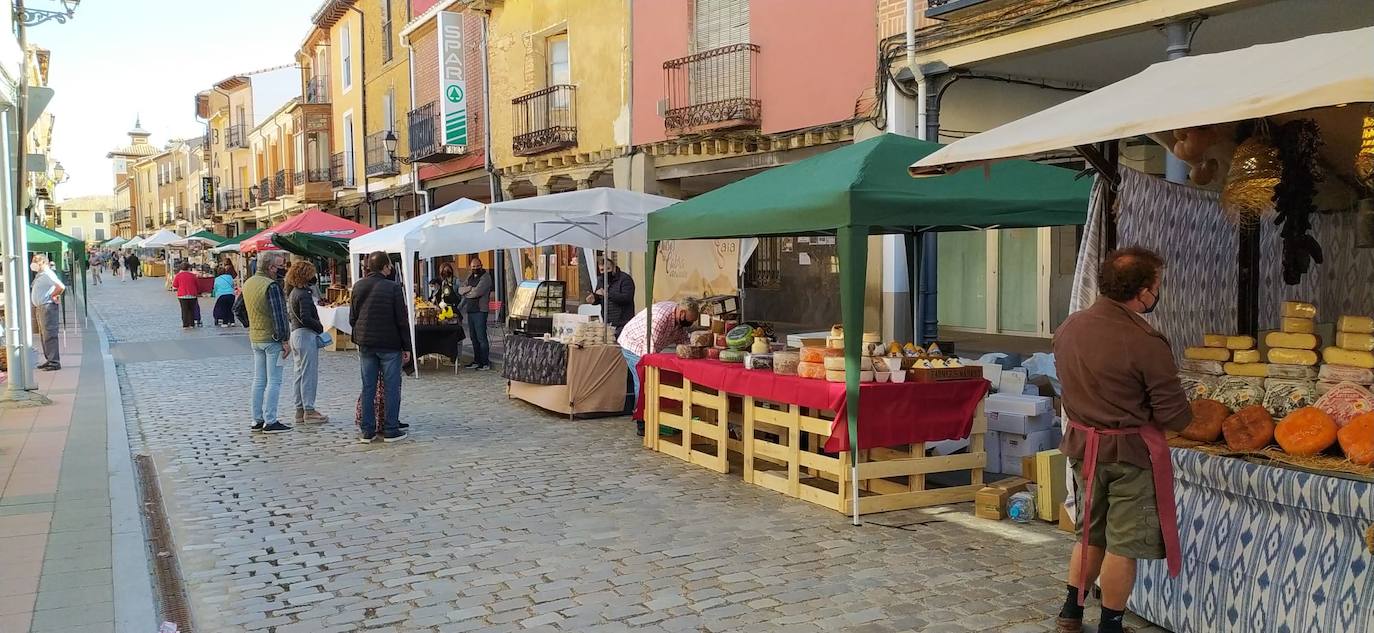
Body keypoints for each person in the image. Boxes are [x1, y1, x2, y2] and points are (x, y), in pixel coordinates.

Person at [1053, 247, 1191, 633]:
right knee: (1122, 545)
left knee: (1089, 535)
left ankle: (1071, 613)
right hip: (1130, 456)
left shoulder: (1069, 327)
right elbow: (1173, 415)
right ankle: (1111, 626)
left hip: (1083, 449)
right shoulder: (1145, 340)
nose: (1156, 293)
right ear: (1144, 291)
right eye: (1157, 286)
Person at [350, 251, 413, 443]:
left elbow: (352, 317)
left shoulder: (358, 286)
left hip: (366, 343)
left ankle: (367, 430)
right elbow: (401, 319)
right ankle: (391, 429)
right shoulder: (393, 288)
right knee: (391, 387)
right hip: (389, 344)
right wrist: (407, 346)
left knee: (368, 387)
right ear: (385, 267)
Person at [617, 298, 699, 436]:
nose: (690, 324)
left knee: (650, 381)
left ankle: (654, 417)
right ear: (682, 313)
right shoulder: (659, 319)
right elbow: (648, 351)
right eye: (690, 320)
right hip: (634, 345)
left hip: (647, 344)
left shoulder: (678, 318)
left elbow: (683, 338)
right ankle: (642, 422)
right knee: (643, 382)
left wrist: (693, 350)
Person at [233, 252, 293, 434]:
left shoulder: (249, 283)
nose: (281, 269)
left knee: (259, 380)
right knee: (274, 381)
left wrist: (250, 324)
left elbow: (237, 308)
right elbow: (279, 315)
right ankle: (270, 420)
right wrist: (284, 339)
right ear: (271, 268)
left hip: (256, 338)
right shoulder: (271, 285)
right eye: (279, 266)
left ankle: (256, 419)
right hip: (272, 340)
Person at [286, 261, 328, 425]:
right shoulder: (303, 293)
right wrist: (319, 326)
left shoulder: (293, 292)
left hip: (296, 334)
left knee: (299, 373)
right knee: (309, 374)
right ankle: (309, 410)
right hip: (305, 335)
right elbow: (306, 317)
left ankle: (300, 409)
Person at [29, 254, 66, 371]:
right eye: (34, 261)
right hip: (41, 307)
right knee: (44, 335)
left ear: (44, 262)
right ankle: (49, 359)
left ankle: (54, 362)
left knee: (49, 334)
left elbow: (61, 286)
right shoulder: (41, 274)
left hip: (47, 307)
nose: (34, 263)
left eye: (37, 261)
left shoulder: (47, 273)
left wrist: (53, 295)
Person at [457, 256, 493, 370]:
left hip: (480, 311)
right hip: (471, 310)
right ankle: (477, 361)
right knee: (473, 337)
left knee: (481, 337)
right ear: (470, 267)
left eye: (478, 266)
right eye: (473, 267)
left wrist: (467, 291)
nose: (476, 268)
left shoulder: (486, 277)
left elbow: (477, 292)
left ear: (481, 266)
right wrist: (468, 290)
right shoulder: (470, 276)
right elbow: (460, 289)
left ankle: (485, 362)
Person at [585, 257, 636, 335]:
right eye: (602, 270)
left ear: (614, 268)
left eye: (608, 269)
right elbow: (600, 297)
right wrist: (594, 299)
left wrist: (607, 294)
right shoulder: (601, 280)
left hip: (623, 322)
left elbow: (627, 298)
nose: (605, 272)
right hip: (607, 322)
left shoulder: (625, 279)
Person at [172, 262, 201, 328]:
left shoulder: (178, 275)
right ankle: (192, 324)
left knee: (184, 310)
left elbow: (175, 285)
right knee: (192, 310)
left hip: (182, 295)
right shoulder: (193, 275)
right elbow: (197, 285)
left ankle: (185, 324)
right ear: (188, 268)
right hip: (192, 294)